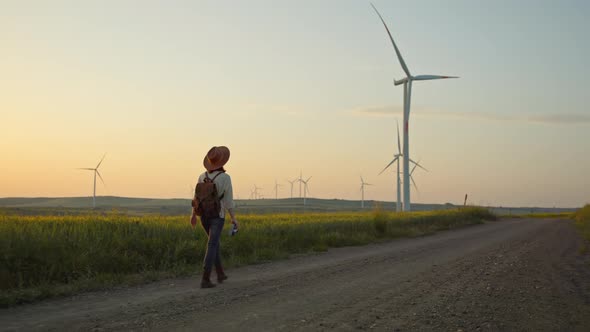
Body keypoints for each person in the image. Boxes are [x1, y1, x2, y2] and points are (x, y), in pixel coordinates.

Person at [191, 146, 238, 288]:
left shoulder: (202, 176)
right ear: (222, 162)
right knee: (212, 244)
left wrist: (193, 215)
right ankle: (205, 279)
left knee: (214, 243)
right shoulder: (225, 178)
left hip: (203, 216)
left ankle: (220, 273)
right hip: (218, 215)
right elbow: (228, 200)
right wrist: (234, 218)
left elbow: (196, 198)